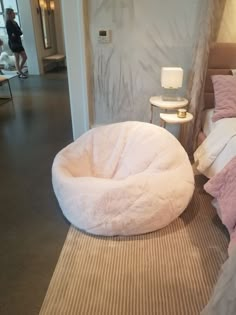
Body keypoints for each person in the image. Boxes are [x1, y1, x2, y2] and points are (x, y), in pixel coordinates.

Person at [5, 8, 27, 79]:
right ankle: (20, 73)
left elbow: (19, 32)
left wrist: (16, 33)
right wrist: (16, 33)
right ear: (10, 14)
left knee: (24, 57)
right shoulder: (8, 22)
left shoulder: (15, 22)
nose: (14, 14)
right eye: (13, 13)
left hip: (18, 42)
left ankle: (19, 70)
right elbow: (12, 34)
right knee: (17, 58)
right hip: (13, 43)